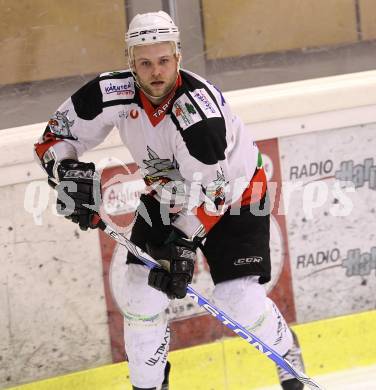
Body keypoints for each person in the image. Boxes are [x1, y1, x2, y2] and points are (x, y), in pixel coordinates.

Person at [34, 10, 305, 390]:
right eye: (145, 63)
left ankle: (288, 356)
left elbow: (216, 192)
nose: (155, 72)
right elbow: (53, 138)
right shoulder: (109, 92)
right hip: (168, 194)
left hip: (237, 195)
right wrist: (65, 171)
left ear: (178, 58)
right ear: (131, 63)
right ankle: (150, 385)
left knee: (237, 298)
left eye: (164, 61)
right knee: (140, 297)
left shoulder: (198, 116)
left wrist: (182, 245)